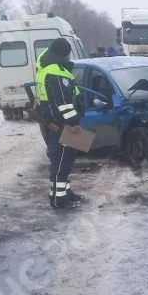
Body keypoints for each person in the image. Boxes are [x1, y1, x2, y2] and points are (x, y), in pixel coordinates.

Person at [35, 37, 84, 210]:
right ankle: (58, 200)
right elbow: (63, 101)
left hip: (53, 125)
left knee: (62, 162)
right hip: (62, 127)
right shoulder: (57, 71)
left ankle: (64, 192)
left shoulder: (47, 68)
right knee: (62, 163)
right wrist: (74, 122)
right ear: (65, 53)